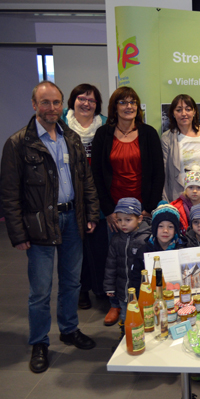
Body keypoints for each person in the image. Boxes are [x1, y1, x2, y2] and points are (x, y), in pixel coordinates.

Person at [0, 81, 100, 373]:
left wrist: (91, 213)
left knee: (71, 282)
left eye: (56, 102)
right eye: (45, 102)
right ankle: (39, 342)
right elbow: (9, 194)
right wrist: (18, 233)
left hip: (73, 221)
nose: (52, 108)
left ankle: (69, 330)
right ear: (34, 105)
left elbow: (86, 181)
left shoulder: (70, 138)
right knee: (40, 290)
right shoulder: (18, 143)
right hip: (39, 225)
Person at [91, 86, 165, 327]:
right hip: (115, 210)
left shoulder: (148, 133)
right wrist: (109, 210)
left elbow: (158, 174)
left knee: (141, 258)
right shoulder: (103, 134)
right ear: (115, 108)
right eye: (123, 102)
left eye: (133, 102)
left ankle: (143, 302)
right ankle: (116, 305)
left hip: (142, 208)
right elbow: (97, 175)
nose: (129, 106)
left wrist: (148, 208)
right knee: (115, 257)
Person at [61, 83, 107, 309]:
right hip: (71, 191)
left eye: (91, 100)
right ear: (73, 101)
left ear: (97, 105)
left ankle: (100, 287)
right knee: (75, 245)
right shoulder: (61, 124)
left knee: (99, 244)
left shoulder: (106, 124)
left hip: (98, 191)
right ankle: (81, 290)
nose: (86, 103)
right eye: (82, 98)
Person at [103, 198, 150, 342]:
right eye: (119, 220)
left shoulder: (146, 239)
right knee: (125, 316)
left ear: (139, 218)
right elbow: (110, 265)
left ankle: (144, 339)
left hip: (142, 292)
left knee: (143, 315)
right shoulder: (116, 240)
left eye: (128, 219)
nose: (123, 224)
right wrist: (109, 286)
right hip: (123, 290)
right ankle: (126, 339)